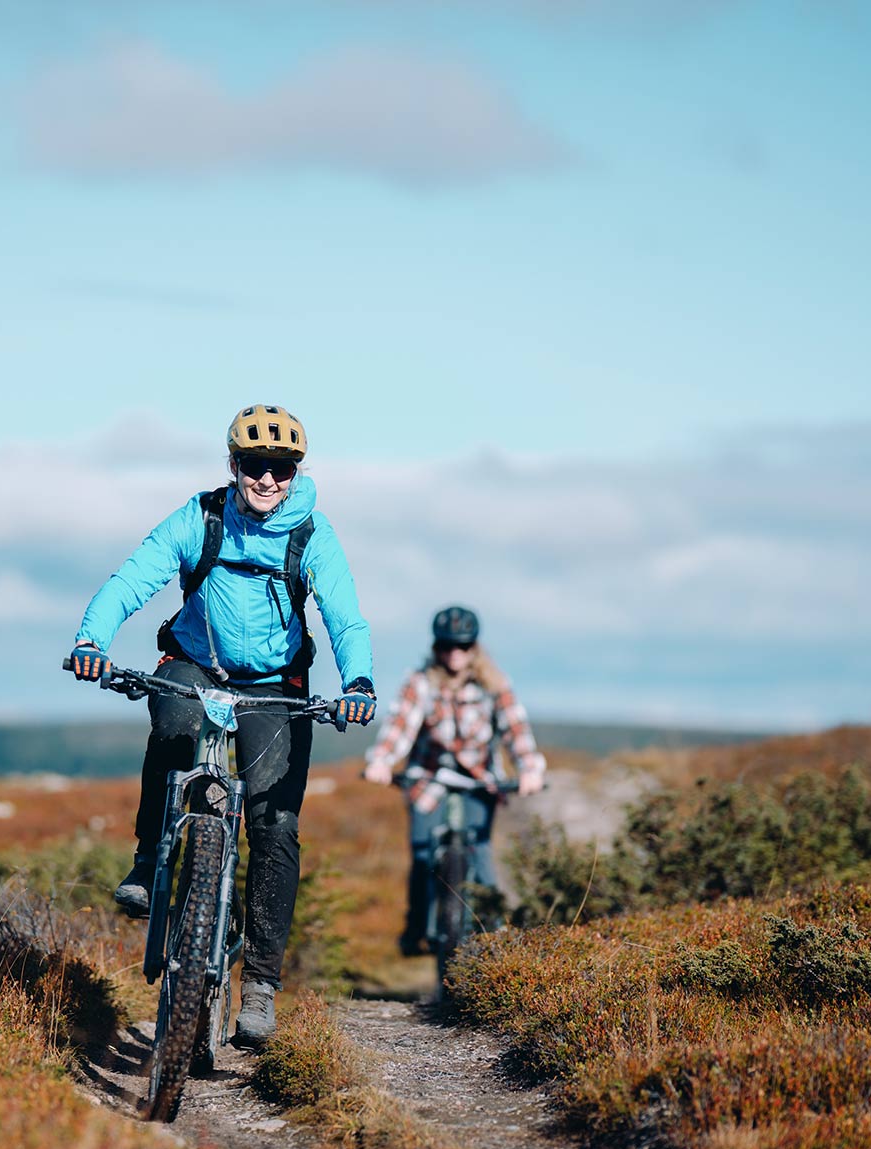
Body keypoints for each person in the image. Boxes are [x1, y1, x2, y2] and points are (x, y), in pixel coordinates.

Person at [68, 404, 375, 1049]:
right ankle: (150, 855)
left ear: (296, 473)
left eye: (281, 468)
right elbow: (132, 580)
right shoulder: (201, 519)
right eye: (253, 465)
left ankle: (260, 984)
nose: (267, 479)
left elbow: (344, 617)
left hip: (274, 688)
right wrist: (92, 640)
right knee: (172, 725)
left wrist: (358, 684)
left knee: (275, 825)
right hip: (196, 666)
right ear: (231, 465)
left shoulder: (312, 535)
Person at [361, 606, 545, 957]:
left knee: (481, 855)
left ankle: (495, 938)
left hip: (479, 783)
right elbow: (401, 724)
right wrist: (381, 761)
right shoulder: (421, 682)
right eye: (446, 646)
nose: (454, 654)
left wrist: (530, 768)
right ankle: (416, 927)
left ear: (474, 647)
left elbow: (515, 728)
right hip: (427, 781)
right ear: (436, 647)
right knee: (422, 855)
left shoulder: (494, 684)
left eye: (462, 646)